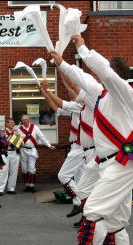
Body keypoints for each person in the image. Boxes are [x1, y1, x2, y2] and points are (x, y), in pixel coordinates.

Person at [50, 34, 133, 245]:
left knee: (91, 209)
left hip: (122, 164)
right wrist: (61, 64)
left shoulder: (126, 93)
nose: (102, 76)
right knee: (116, 223)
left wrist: (81, 46)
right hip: (112, 165)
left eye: (106, 72)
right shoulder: (101, 97)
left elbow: (101, 72)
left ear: (113, 73)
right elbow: (84, 79)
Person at [39, 77, 86, 218]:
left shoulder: (81, 107)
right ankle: (86, 213)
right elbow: (56, 108)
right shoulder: (74, 109)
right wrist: (45, 95)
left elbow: (61, 103)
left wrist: (48, 90)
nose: (70, 94)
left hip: (80, 147)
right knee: (80, 181)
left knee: (63, 175)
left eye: (73, 92)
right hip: (77, 147)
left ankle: (79, 202)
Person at [17, 114, 56, 193]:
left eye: (26, 120)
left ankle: (32, 185)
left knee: (32, 168)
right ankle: (27, 185)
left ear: (29, 120)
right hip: (23, 150)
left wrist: (49, 145)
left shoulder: (35, 128)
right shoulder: (19, 129)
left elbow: (42, 137)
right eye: (23, 120)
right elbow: (17, 141)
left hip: (32, 150)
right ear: (21, 121)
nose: (25, 121)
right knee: (24, 169)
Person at [0, 118, 20, 196]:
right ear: (7, 124)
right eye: (11, 122)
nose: (13, 124)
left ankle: (11, 188)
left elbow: (19, 143)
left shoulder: (16, 132)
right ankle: (0, 189)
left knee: (14, 171)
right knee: (3, 170)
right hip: (5, 152)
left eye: (13, 122)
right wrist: (8, 138)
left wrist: (15, 138)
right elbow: (2, 142)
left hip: (14, 152)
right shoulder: (2, 132)